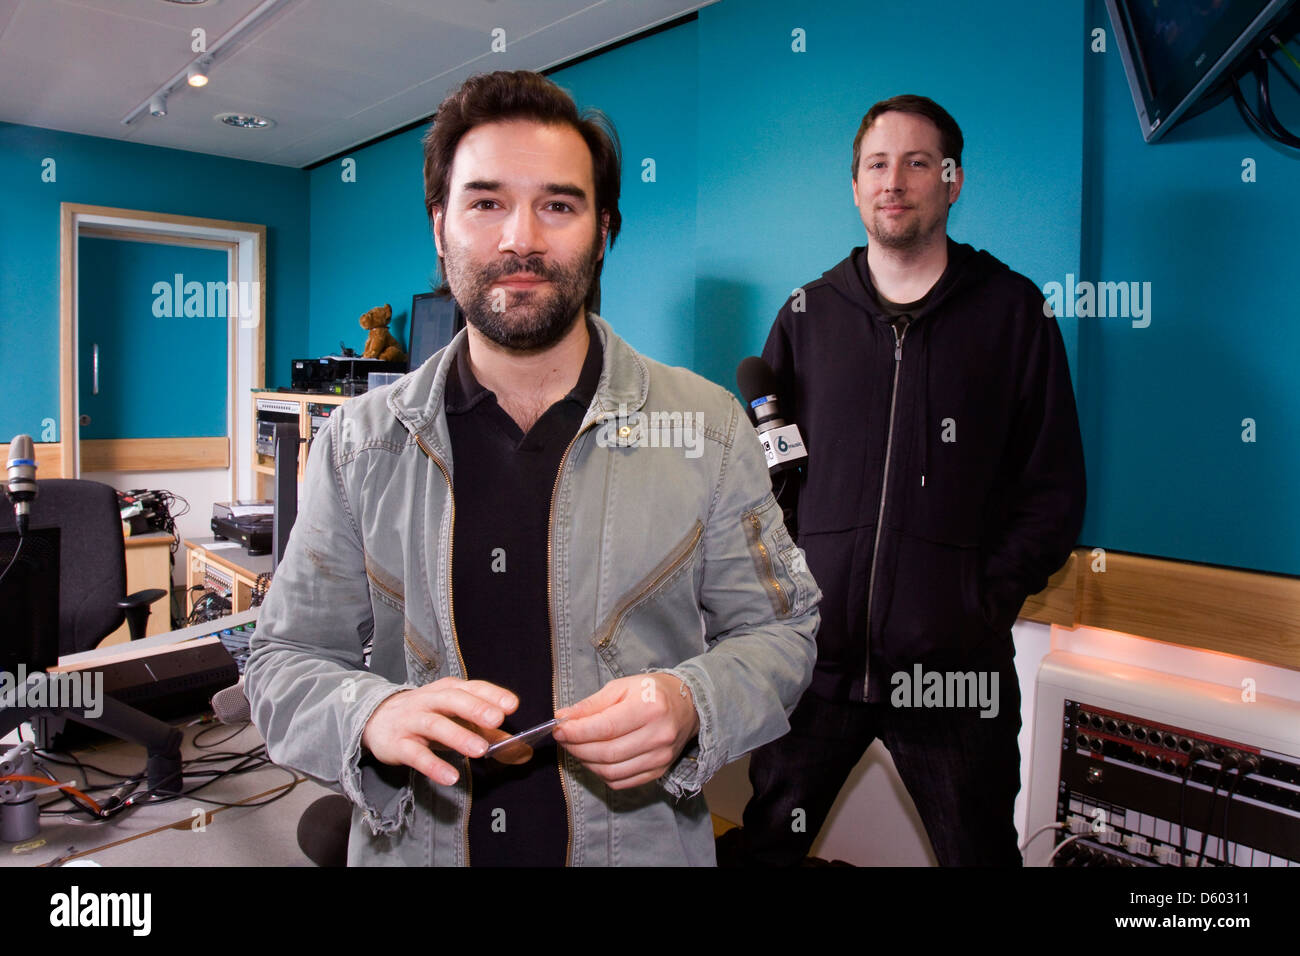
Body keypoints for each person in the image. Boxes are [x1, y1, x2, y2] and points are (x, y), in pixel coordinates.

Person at [244, 70, 820, 867]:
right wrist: (369, 716)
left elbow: (782, 630)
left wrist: (693, 701)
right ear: (440, 225)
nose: (521, 238)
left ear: (604, 229)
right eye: (485, 202)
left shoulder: (711, 428)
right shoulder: (356, 445)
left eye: (559, 204)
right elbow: (281, 662)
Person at [734, 95, 1086, 866]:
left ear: (953, 181)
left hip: (953, 677)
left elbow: (1052, 489)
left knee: (978, 856)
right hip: (816, 670)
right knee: (766, 849)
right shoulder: (807, 314)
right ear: (856, 187)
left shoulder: (1014, 312)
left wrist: (977, 604)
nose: (894, 181)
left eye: (918, 162)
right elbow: (762, 492)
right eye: (877, 165)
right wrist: (786, 601)